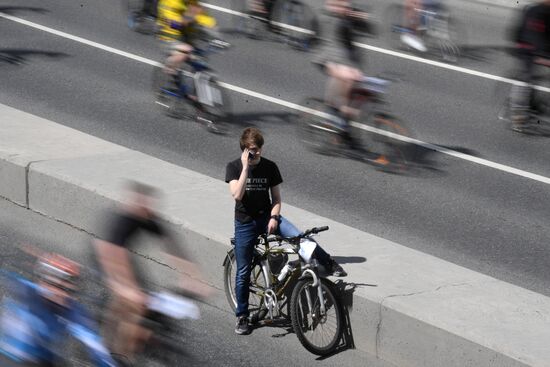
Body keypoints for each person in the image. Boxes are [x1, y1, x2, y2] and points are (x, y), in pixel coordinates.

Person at [225, 127, 346, 336]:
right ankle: (242, 316)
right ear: (245, 150)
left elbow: (277, 199)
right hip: (245, 223)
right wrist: (246, 167)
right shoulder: (234, 167)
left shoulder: (270, 167)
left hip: (267, 217)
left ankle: (328, 262)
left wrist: (273, 217)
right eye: (253, 149)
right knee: (243, 271)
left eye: (260, 148)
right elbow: (237, 195)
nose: (258, 153)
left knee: (301, 237)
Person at [94, 181, 209, 362]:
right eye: (144, 207)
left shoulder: (146, 216)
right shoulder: (121, 221)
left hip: (124, 257)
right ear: (134, 204)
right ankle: (118, 354)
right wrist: (128, 291)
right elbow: (114, 257)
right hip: (105, 258)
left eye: (149, 207)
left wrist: (192, 276)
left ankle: (140, 333)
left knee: (145, 298)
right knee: (131, 304)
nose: (149, 212)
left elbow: (171, 245)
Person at [0, 250, 117, 367]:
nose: (59, 293)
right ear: (41, 281)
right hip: (9, 355)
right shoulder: (25, 289)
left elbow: (97, 348)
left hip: (42, 361)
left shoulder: (74, 312)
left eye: (67, 290)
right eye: (54, 285)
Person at [313, 0, 369, 149]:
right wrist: (341, 68)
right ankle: (336, 121)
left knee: (354, 96)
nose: (344, 8)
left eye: (346, 5)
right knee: (344, 91)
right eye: (339, 6)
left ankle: (343, 128)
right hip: (326, 57)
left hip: (346, 59)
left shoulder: (347, 14)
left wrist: (362, 19)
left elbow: (369, 30)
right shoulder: (328, 19)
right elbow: (331, 45)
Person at [508, 0, 550, 131]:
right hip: (528, 49)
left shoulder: (537, 10)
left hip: (540, 49)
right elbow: (535, 36)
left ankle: (532, 103)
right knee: (527, 78)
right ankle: (518, 116)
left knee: (534, 78)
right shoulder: (536, 12)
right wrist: (542, 57)